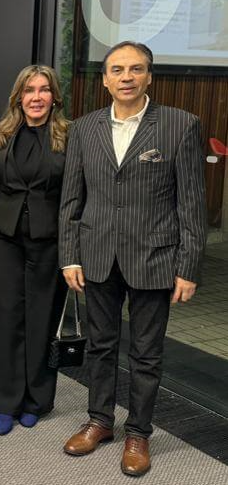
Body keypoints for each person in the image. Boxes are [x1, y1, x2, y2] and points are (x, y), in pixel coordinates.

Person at [59, 41, 207, 476]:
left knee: (146, 353)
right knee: (102, 346)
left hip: (155, 259)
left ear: (149, 76)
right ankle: (100, 420)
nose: (126, 76)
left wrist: (188, 266)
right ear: (104, 79)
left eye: (136, 69)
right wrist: (69, 256)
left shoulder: (180, 126)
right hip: (97, 256)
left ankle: (138, 432)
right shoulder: (83, 129)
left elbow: (192, 204)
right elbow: (71, 200)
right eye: (118, 69)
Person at [0, 65, 69, 435]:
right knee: (5, 318)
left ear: (55, 96)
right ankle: (4, 400)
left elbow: (74, 193)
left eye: (44, 90)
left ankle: (36, 399)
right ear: (18, 96)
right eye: (29, 90)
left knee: (41, 319)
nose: (36, 97)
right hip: (5, 237)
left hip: (50, 240)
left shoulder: (70, 135)